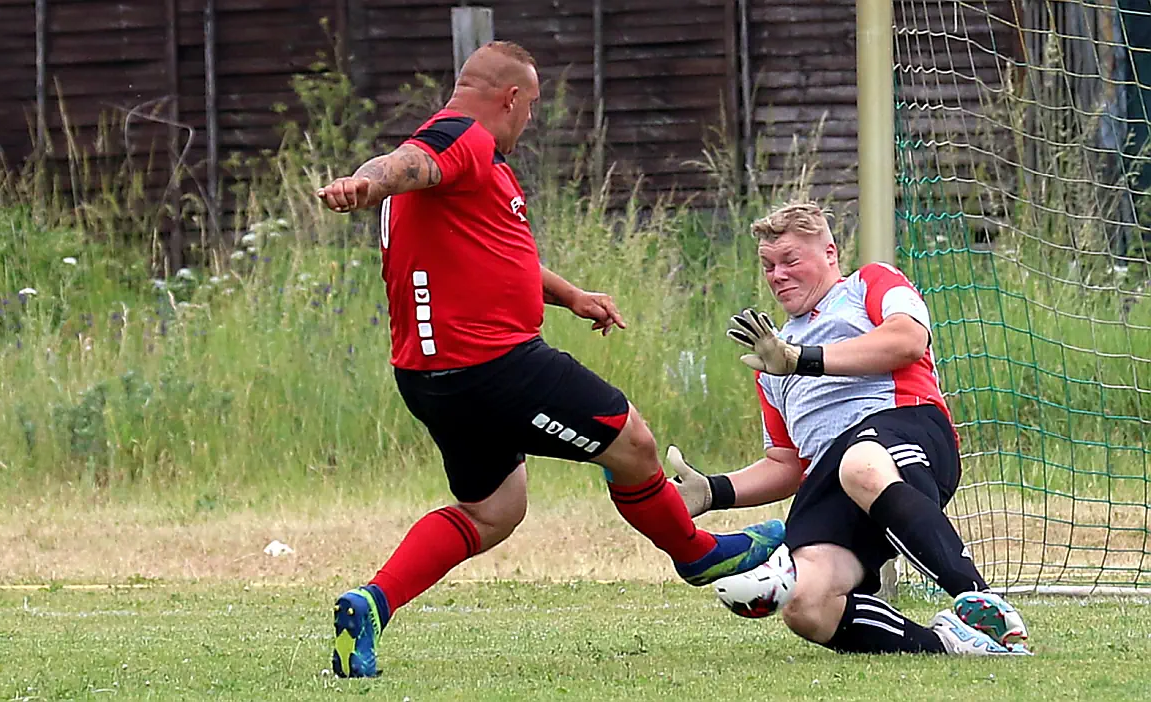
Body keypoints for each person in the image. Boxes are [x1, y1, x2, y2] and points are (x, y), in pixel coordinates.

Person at [314, 41, 784, 678]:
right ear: (511, 98)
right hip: (496, 368)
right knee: (633, 444)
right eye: (531, 106)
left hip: (430, 378)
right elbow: (402, 164)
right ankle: (698, 553)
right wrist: (367, 183)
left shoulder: (459, 163)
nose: (530, 119)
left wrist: (571, 296)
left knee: (492, 511)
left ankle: (371, 604)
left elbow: (489, 252)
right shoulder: (463, 140)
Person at [667, 200, 1030, 655]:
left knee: (859, 463)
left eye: (790, 260)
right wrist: (713, 491)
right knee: (806, 606)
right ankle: (954, 645)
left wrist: (802, 360)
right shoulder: (771, 357)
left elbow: (908, 340)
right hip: (832, 476)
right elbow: (787, 464)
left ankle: (977, 599)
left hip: (907, 428)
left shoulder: (868, 284)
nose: (777, 275)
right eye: (768, 266)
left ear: (830, 253)